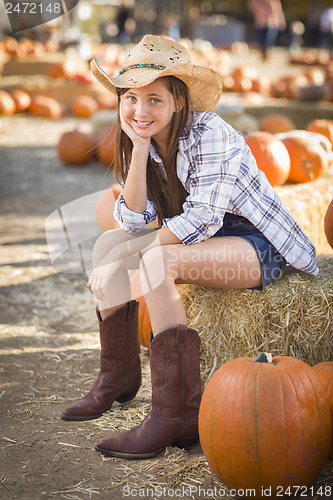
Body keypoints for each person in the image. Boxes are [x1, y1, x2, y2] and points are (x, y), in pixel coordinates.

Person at [61, 35, 318, 458]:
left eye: (154, 100)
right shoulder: (140, 136)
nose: (140, 110)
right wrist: (139, 147)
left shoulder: (211, 133)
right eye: (130, 98)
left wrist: (126, 255)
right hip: (208, 239)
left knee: (154, 261)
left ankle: (176, 413)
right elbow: (132, 220)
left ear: (178, 100)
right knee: (106, 241)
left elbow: (201, 221)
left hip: (256, 244)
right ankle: (118, 377)